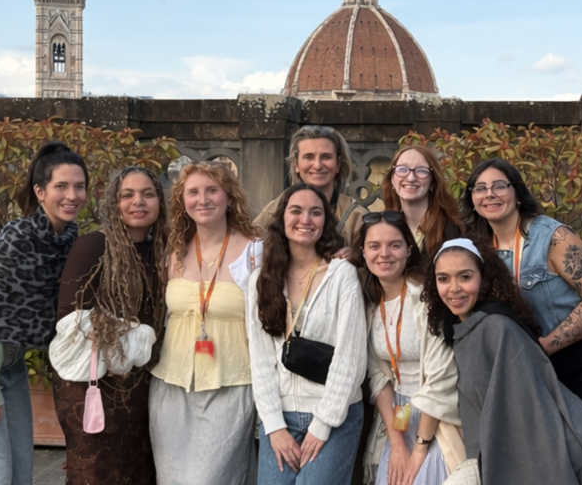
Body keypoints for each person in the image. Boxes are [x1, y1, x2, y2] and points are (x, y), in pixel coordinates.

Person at [424, 237, 582, 485]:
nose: (454, 288)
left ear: (484, 277)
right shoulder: (462, 328)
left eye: (465, 277)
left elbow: (528, 416)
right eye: (443, 278)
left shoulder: (497, 328)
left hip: (572, 453)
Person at [462, 158, 582, 458]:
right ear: (472, 199)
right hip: (523, 373)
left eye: (500, 185)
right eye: (480, 188)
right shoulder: (476, 246)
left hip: (578, 367)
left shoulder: (552, 236)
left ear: (518, 192)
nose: (489, 194)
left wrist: (547, 346)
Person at [0, 141, 88, 485]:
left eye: (80, 186)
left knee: (21, 471)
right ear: (40, 191)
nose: (72, 195)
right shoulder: (19, 236)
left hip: (10, 366)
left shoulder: (69, 237)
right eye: (61, 186)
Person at [52, 166, 169, 484]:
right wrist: (135, 339)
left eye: (148, 193)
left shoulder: (166, 250)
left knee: (139, 470)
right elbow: (71, 318)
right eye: (127, 195)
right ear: (113, 203)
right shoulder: (93, 246)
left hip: (144, 385)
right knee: (97, 472)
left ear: (160, 200)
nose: (138, 202)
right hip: (94, 382)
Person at [149, 161, 264, 485]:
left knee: (210, 479)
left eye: (212, 190)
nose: (203, 199)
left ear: (229, 197)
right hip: (171, 386)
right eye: (193, 192)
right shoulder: (173, 251)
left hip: (230, 385)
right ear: (182, 201)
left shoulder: (255, 252)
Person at [248, 183, 366, 485]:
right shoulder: (261, 280)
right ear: (281, 218)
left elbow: (350, 358)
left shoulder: (342, 275)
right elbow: (260, 361)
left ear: (326, 222)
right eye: (296, 211)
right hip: (281, 415)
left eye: (316, 213)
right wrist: (273, 426)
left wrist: (323, 424)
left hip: (334, 413)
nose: (306, 220)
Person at [353, 211, 465, 485]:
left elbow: (441, 377)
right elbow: (379, 377)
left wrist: (419, 450)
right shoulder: (369, 306)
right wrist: (398, 444)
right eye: (374, 246)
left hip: (436, 420)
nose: (384, 254)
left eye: (394, 245)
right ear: (363, 253)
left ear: (408, 249)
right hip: (397, 420)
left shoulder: (427, 300)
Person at [254, 125, 368, 253]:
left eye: (326, 157)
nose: (318, 165)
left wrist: (354, 260)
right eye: (309, 157)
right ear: (296, 164)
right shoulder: (272, 212)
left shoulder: (357, 217)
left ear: (338, 164)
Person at [380, 145, 463, 259]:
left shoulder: (451, 231)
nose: (411, 178)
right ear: (392, 179)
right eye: (402, 169)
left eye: (421, 171)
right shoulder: (384, 226)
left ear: (433, 181)